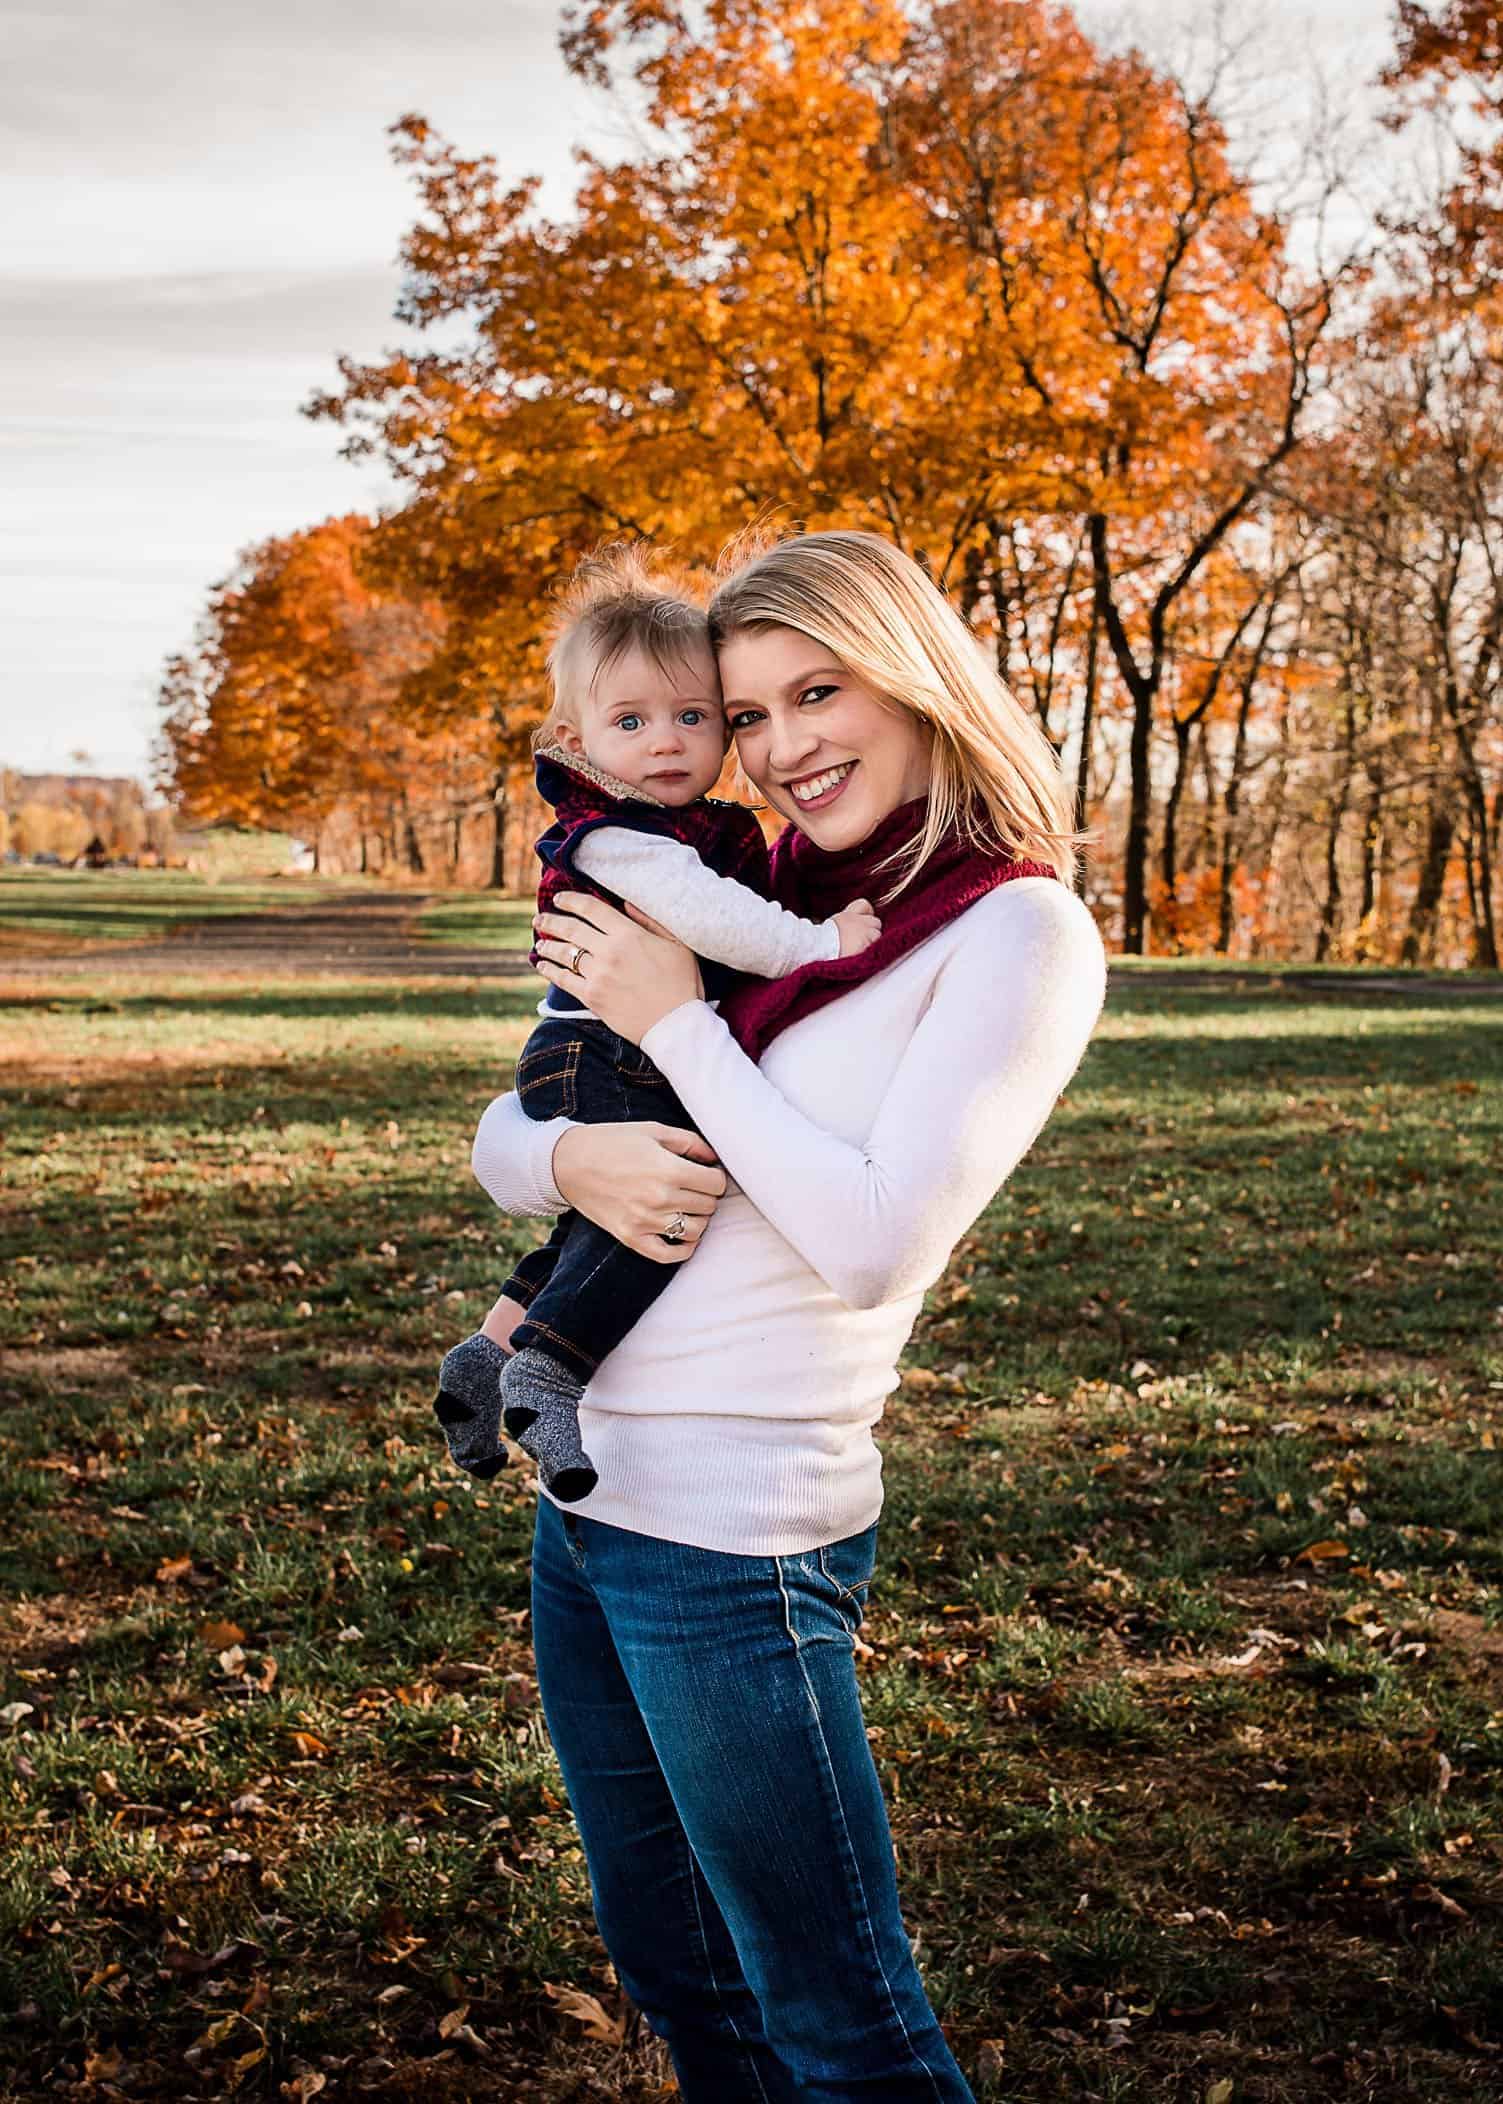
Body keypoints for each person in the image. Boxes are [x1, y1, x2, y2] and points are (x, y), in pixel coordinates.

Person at [470, 529, 1108, 2102]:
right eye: (746, 714)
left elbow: (872, 1242)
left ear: (911, 679)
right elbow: (507, 1132)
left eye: (815, 690)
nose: (778, 746)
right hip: (588, 1502)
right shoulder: (753, 893)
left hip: (735, 1540)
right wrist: (562, 1150)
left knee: (840, 2027)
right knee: (682, 1981)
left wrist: (678, 1028)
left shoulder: (1006, 932)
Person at [434, 545, 881, 1502]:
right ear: (577, 736)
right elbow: (722, 925)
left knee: (601, 1220)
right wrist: (820, 941)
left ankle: (490, 1352)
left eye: (695, 717)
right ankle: (553, 1366)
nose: (667, 741)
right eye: (631, 722)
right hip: (594, 1050)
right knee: (660, 1215)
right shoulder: (620, 835)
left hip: (606, 1050)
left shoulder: (695, 824)